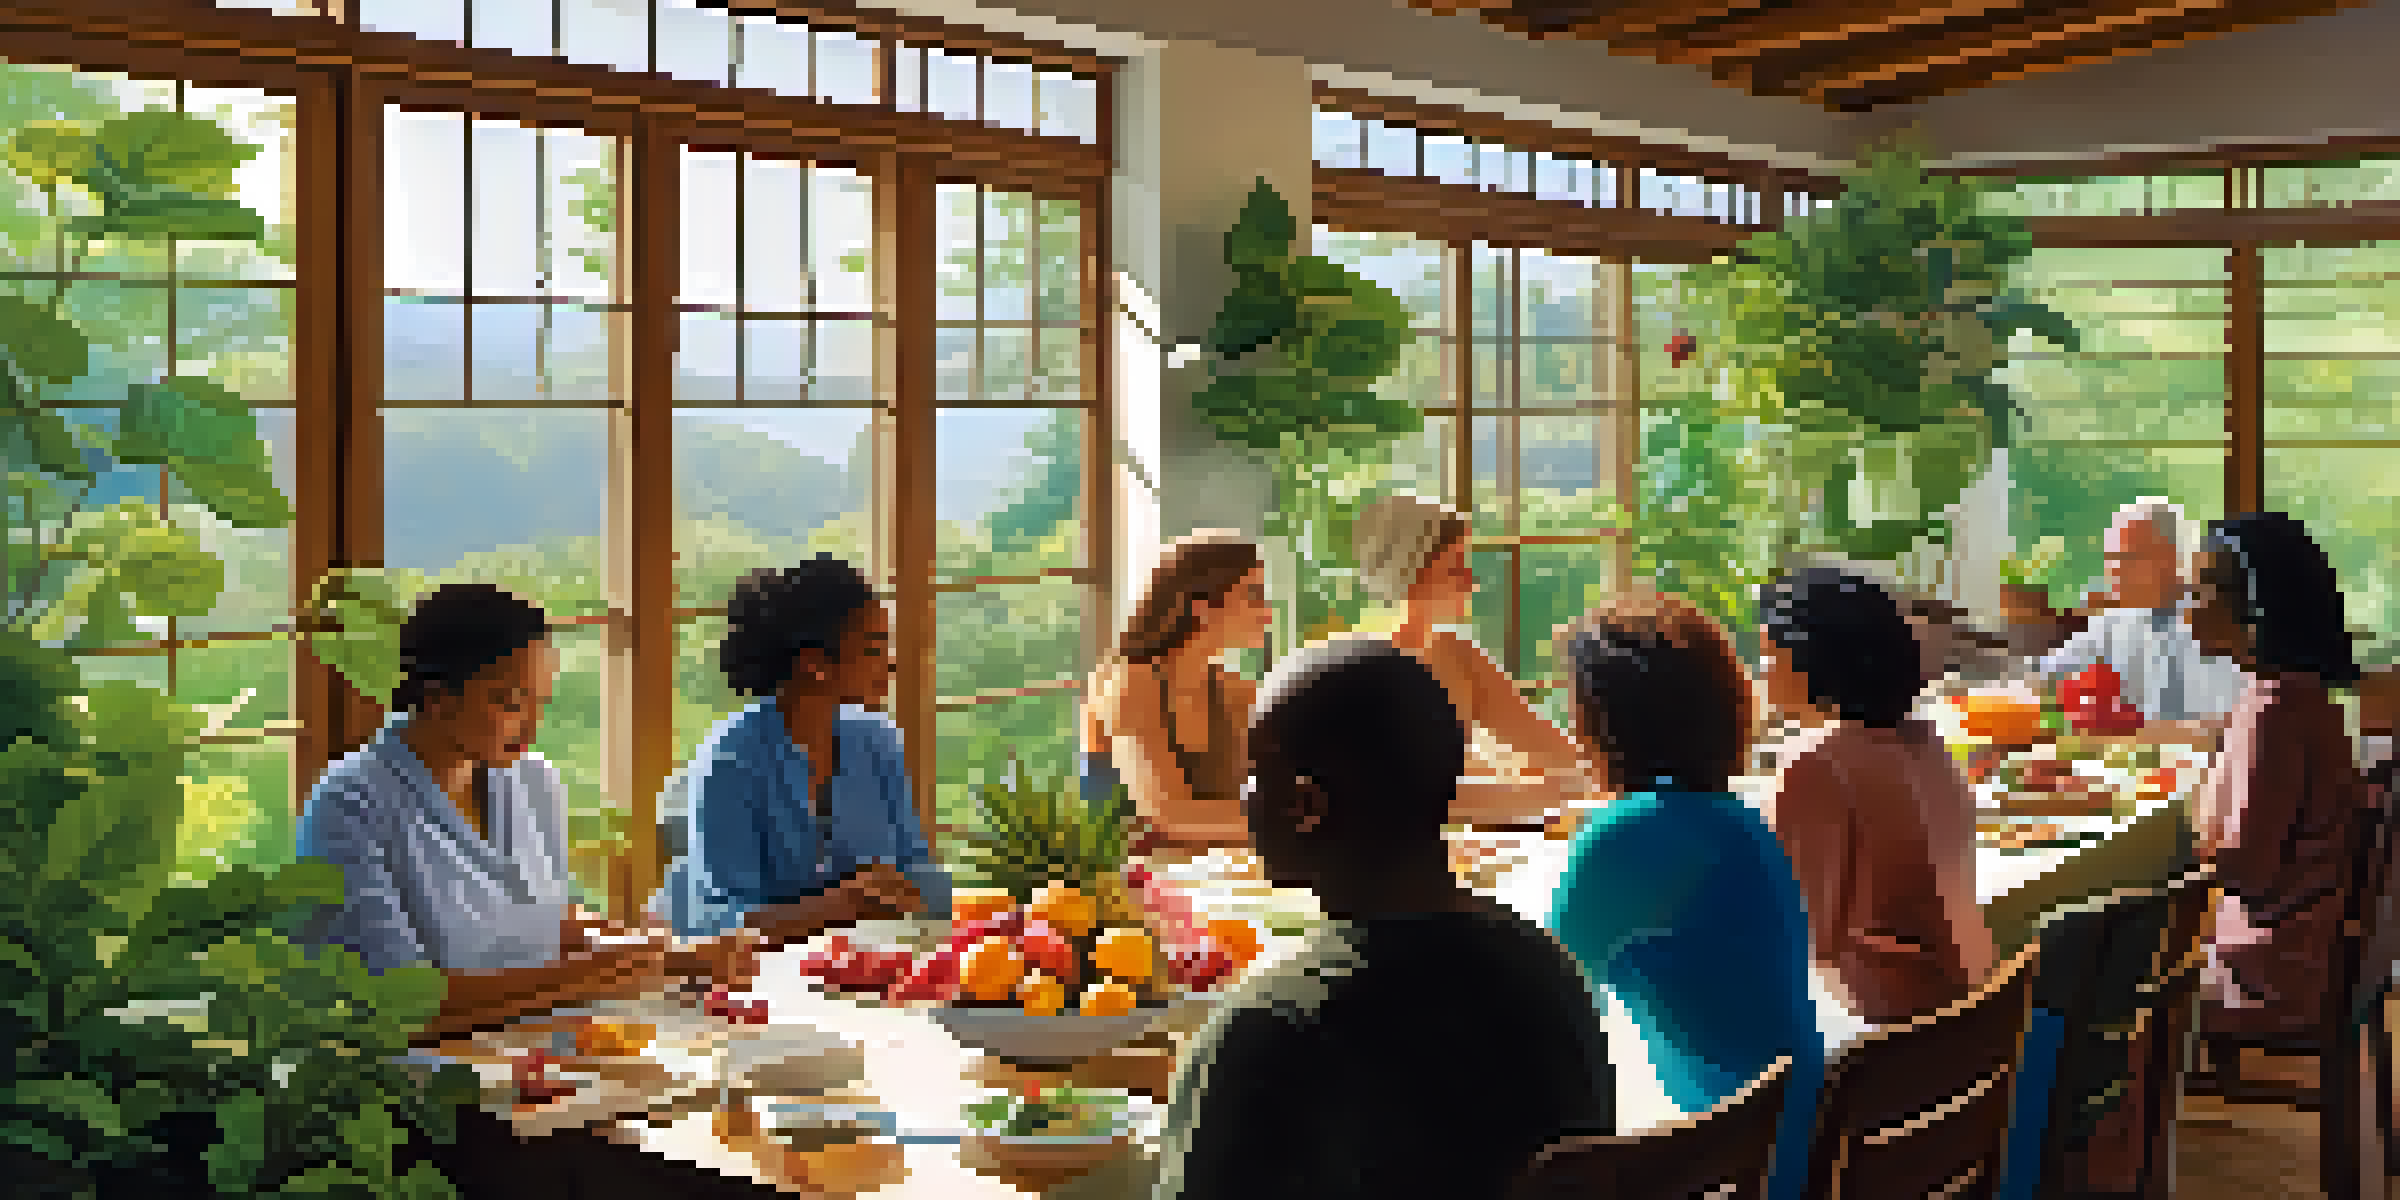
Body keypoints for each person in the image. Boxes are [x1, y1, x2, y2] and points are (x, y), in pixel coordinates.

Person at [1151, 635, 1614, 1200]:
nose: (1243, 797)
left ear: (1305, 807)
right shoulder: (1548, 975)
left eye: (1252, 775)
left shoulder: (1273, 1023)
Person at [297, 583, 757, 1040]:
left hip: (548, 1051)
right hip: (424, 1079)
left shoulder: (533, 780)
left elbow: (549, 919)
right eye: (510, 703)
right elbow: (400, 1004)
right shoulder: (350, 805)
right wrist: (584, 976)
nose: (532, 727)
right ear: (435, 695)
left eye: (540, 704)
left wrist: (681, 957)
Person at [1543, 594, 1821, 1200]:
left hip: (1723, 1166)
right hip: (1787, 1146)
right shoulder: (1735, 821)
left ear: (1608, 724)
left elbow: (1540, 1008)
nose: (1571, 729)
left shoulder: (1627, 835)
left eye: (1577, 711)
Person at [658, 558, 950, 944]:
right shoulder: (729, 764)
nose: (892, 664)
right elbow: (724, 926)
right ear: (815, 664)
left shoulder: (880, 742)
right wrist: (845, 904)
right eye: (873, 649)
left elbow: (921, 876)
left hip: (862, 968)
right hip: (746, 980)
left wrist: (910, 892)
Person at [1759, 568, 1996, 1028]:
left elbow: (1797, 936)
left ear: (1808, 658)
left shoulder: (1816, 761)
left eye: (1768, 655)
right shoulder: (1926, 740)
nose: (1761, 672)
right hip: (1975, 1022)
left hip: (1890, 1044)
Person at [2185, 511, 2366, 1037]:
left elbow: (2248, 871)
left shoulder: (2272, 710)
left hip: (2269, 969)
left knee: (2084, 975)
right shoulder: (2303, 695)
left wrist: (2196, 839)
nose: (2189, 608)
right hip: (2313, 953)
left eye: (2202, 591)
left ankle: (2123, 1118)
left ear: (2252, 608)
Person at [1351, 492, 1592, 822]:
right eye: (1455, 567)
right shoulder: (1357, 669)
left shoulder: (1458, 654)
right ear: (1409, 574)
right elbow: (1394, 797)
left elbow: (1561, 755)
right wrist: (1534, 793)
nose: (1472, 582)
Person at [1079, 531, 1272, 854]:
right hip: (1130, 889)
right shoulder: (1128, 684)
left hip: (1216, 882)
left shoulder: (1235, 691)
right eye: (1253, 595)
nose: (1266, 612)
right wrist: (1294, 825)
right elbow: (1171, 815)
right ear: (1202, 606)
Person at [2031, 499, 2248, 740]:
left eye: (2125, 557)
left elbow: (2232, 726)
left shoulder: (2219, 626)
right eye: (2109, 558)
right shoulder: (2116, 624)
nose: (2113, 571)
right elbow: (2045, 678)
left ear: (2172, 560)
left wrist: (2128, 731)